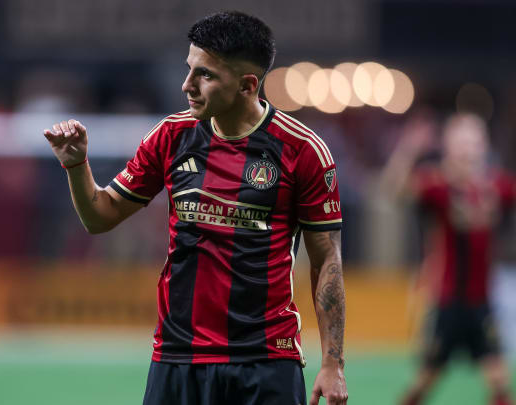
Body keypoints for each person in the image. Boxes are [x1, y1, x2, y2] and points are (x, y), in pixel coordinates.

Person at [43, 11, 347, 405]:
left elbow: (327, 260)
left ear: (247, 85)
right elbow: (100, 216)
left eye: (204, 75)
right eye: (189, 70)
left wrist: (332, 363)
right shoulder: (173, 136)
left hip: (265, 359)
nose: (187, 85)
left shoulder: (302, 151)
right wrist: (75, 166)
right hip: (177, 357)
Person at [381, 112, 516, 405]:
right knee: (425, 381)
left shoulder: (495, 186)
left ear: (484, 146)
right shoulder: (437, 185)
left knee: (500, 381)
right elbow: (392, 191)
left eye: (474, 141)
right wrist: (409, 149)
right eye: (462, 142)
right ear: (448, 147)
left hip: (481, 305)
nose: (469, 150)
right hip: (446, 304)